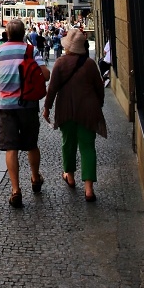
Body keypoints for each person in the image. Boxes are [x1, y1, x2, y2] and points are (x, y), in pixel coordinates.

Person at [0, 18, 50, 208]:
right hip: (29, 104)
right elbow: (45, 74)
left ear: (7, 33)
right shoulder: (31, 50)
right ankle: (34, 178)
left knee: (11, 147)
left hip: (7, 106)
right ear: (23, 33)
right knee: (31, 144)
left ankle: (15, 190)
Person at [42, 27, 107, 202]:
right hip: (87, 110)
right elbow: (99, 88)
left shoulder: (60, 63)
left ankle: (69, 176)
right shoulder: (90, 64)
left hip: (66, 110)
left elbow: (52, 89)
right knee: (87, 147)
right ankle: (89, 189)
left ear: (68, 46)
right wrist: (99, 104)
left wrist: (47, 108)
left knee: (68, 143)